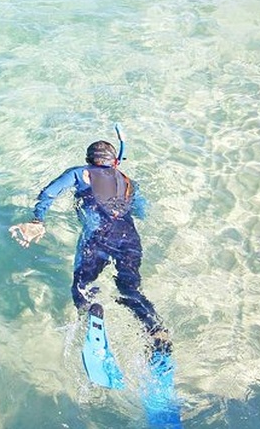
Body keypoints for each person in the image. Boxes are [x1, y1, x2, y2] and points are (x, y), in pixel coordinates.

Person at [9, 139, 171, 353]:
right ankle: (157, 331)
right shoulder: (129, 182)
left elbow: (48, 193)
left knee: (82, 287)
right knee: (129, 289)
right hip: (130, 238)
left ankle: (91, 316)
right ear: (114, 162)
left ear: (89, 160)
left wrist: (37, 220)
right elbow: (141, 212)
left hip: (98, 237)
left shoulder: (79, 173)